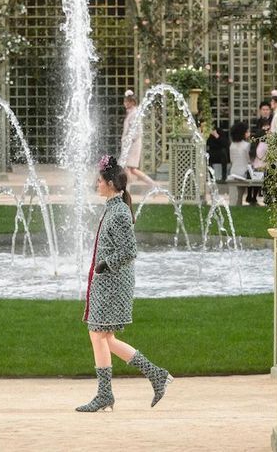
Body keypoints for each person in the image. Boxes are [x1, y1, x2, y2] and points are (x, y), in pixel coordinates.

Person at [77, 155, 173, 412]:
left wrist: (105, 265)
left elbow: (129, 250)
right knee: (102, 335)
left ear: (109, 183)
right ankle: (150, 376)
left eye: (99, 181)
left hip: (112, 283)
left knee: (99, 334)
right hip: (106, 281)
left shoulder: (118, 212)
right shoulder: (114, 207)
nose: (96, 185)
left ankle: (111, 392)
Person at [120, 90, 156, 188]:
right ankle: (152, 185)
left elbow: (138, 131)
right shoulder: (131, 113)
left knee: (130, 168)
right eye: (125, 101)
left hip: (133, 144)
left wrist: (129, 140)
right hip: (130, 144)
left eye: (128, 102)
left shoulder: (135, 113)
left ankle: (129, 188)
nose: (125, 103)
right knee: (129, 168)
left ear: (133, 102)